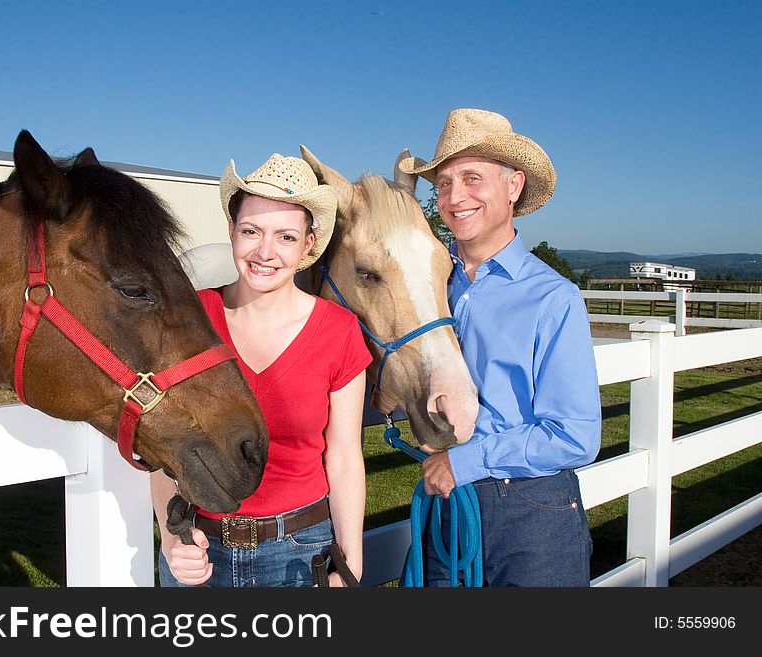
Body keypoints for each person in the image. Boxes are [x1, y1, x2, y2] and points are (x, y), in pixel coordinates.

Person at [396, 108, 602, 586]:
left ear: (513, 186)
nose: (454, 197)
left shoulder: (553, 298)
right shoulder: (430, 281)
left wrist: (463, 462)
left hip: (531, 511)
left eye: (472, 178)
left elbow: (575, 435)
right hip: (447, 503)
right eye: (443, 184)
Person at [151, 153, 372, 587]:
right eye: (251, 231)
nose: (265, 252)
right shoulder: (187, 318)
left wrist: (351, 563)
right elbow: (162, 448)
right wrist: (170, 539)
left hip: (300, 555)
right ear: (232, 231)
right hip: (198, 552)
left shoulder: (338, 331)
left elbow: (344, 457)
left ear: (309, 244)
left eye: (285, 236)